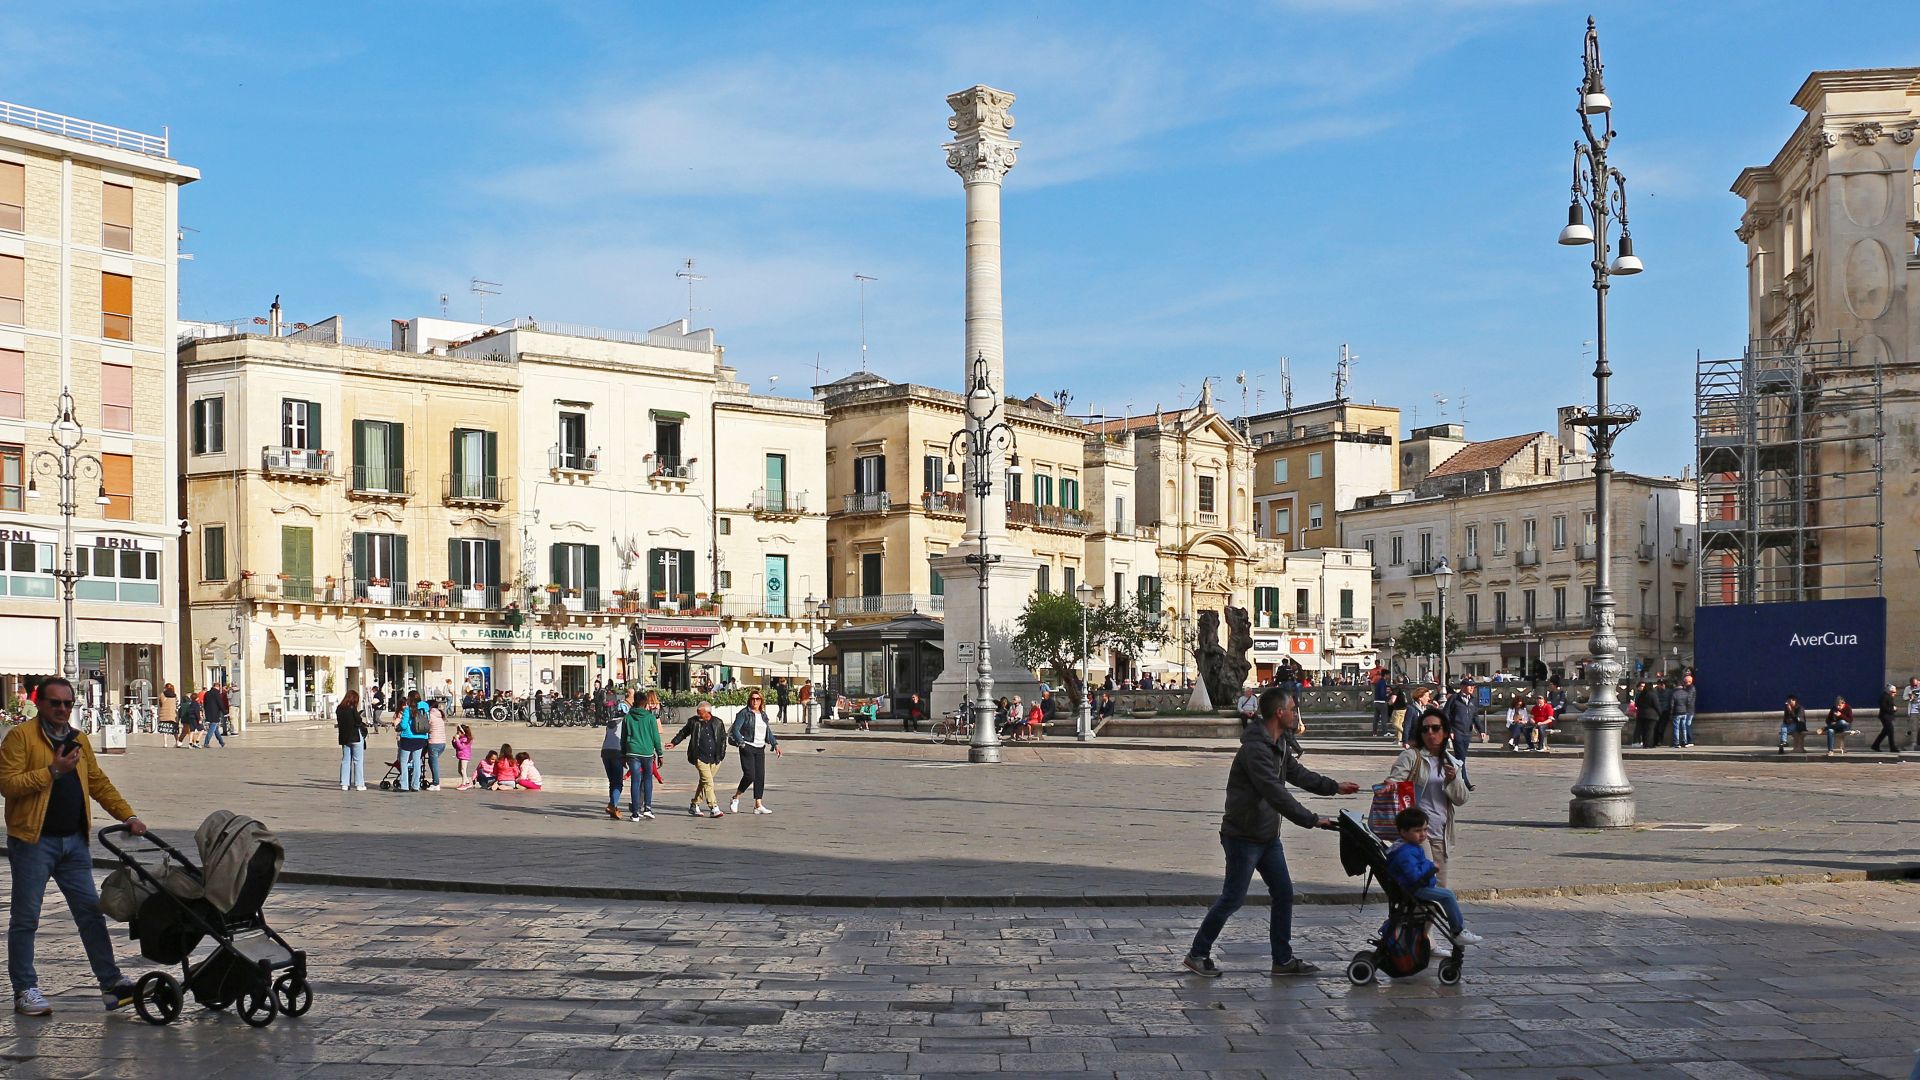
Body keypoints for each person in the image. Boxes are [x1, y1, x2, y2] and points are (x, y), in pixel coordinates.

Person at [1182, 687, 1361, 979]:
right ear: (1279, 713)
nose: (1295, 714)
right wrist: (1311, 819)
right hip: (1243, 836)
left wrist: (1334, 787)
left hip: (1266, 835)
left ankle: (1283, 960)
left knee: (1283, 893)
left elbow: (1297, 774)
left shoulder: (1278, 743)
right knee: (1233, 898)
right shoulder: (1256, 749)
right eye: (1292, 709)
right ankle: (1197, 954)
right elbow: (1275, 792)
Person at [0, 677, 146, 1016]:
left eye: (68, 703)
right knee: (26, 918)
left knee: (91, 914)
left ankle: (111, 984)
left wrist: (128, 815)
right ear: (40, 704)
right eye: (56, 703)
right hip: (33, 841)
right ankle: (25, 989)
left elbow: (98, 783)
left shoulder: (78, 739)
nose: (63, 709)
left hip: (74, 843)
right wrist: (52, 770)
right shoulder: (20, 738)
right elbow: (7, 784)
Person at [1387, 707, 1471, 888]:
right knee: (1423, 886)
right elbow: (1395, 782)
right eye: (1425, 729)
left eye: (1435, 728)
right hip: (1416, 832)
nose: (1430, 733)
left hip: (1441, 833)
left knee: (1440, 888)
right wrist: (1392, 783)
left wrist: (1452, 780)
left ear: (1445, 732)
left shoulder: (1451, 762)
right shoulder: (1412, 756)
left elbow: (1461, 799)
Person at [1384, 807, 1484, 957]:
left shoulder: (1409, 848)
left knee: (1446, 895)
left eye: (1425, 830)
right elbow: (1414, 875)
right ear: (1403, 832)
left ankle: (1457, 931)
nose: (1423, 834)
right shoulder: (1406, 852)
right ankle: (1458, 931)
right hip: (1414, 888)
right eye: (1417, 831)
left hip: (1414, 886)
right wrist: (1431, 866)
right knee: (1448, 896)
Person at [668, 701, 729, 818]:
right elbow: (683, 732)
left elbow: (722, 739)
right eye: (698, 713)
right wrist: (674, 742)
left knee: (704, 782)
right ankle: (714, 808)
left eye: (701, 713)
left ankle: (694, 804)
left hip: (715, 758)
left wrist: (722, 754)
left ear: (708, 712)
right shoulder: (693, 722)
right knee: (709, 782)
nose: (699, 715)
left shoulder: (718, 722)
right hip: (700, 757)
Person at [729, 690, 783, 815]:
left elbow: (767, 731)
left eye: (757, 699)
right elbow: (736, 729)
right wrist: (741, 743)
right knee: (750, 775)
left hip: (760, 748)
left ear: (761, 701)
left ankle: (758, 805)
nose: (755, 701)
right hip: (747, 746)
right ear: (749, 700)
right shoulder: (744, 713)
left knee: (760, 776)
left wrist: (775, 744)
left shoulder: (763, 715)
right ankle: (736, 798)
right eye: (753, 699)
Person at [621, 692, 665, 820]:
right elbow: (656, 737)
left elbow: (623, 738)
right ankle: (648, 808)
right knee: (647, 780)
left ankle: (635, 812)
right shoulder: (650, 718)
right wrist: (660, 753)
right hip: (647, 752)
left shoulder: (628, 718)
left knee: (635, 781)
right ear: (645, 703)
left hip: (632, 752)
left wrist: (623, 754)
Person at [1442, 679, 1476, 790]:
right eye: (1469, 686)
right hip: (1457, 731)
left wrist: (1481, 730)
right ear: (1462, 687)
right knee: (1461, 757)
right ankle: (1465, 783)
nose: (1472, 688)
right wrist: (1450, 730)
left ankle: (1452, 777)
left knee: (1461, 757)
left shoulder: (1473, 700)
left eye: (1473, 686)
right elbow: (1445, 714)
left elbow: (1475, 716)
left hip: (1467, 732)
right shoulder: (1454, 698)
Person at [395, 691, 428, 792]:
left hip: (408, 738)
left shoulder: (408, 709)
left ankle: (404, 785)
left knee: (404, 762)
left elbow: (404, 725)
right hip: (421, 737)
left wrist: (398, 727)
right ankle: (415, 785)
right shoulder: (425, 708)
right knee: (417, 761)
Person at [336, 689, 368, 791]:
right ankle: (359, 784)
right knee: (358, 761)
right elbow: (358, 721)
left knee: (345, 760)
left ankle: (344, 783)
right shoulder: (352, 708)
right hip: (355, 736)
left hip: (344, 737)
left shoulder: (339, 708)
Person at [425, 695, 448, 791]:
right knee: (431, 761)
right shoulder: (440, 715)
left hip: (434, 742)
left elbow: (426, 727)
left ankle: (436, 783)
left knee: (434, 763)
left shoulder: (430, 715)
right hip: (442, 742)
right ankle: (435, 780)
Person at [1669, 673, 1697, 749]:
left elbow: (1688, 700)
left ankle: (1687, 741)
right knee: (1684, 727)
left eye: (1685, 682)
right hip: (1685, 710)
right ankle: (1685, 741)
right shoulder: (1687, 690)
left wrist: (1672, 711)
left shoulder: (1690, 689)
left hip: (1687, 710)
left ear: (1689, 681)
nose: (1684, 683)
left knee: (1684, 726)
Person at [1873, 684, 1901, 754]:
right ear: (1889, 691)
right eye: (1893, 692)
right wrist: (1893, 709)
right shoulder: (1884, 697)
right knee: (1890, 732)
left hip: (1888, 717)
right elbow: (1884, 707)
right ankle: (1892, 747)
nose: (1895, 694)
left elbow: (1892, 705)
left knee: (1885, 732)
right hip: (1885, 717)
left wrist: (1894, 708)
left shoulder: (1889, 697)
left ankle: (1875, 745)